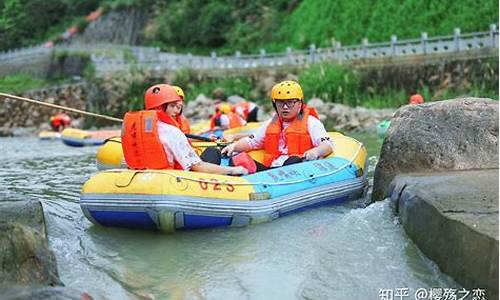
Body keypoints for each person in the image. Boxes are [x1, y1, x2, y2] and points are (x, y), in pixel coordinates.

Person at [121, 84, 247, 175]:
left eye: (178, 107)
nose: (176, 111)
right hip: (173, 179)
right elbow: (198, 167)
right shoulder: (172, 131)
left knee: (210, 151)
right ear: (161, 106)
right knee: (213, 152)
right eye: (173, 106)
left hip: (145, 175)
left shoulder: (138, 129)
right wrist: (233, 170)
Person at [220, 80, 334, 173]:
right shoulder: (270, 123)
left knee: (293, 160)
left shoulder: (311, 122)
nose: (285, 107)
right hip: (272, 172)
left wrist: (316, 152)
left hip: (298, 170)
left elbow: (327, 144)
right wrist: (234, 147)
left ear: (300, 104)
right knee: (238, 159)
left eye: (290, 103)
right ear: (275, 105)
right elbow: (252, 141)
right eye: (280, 103)